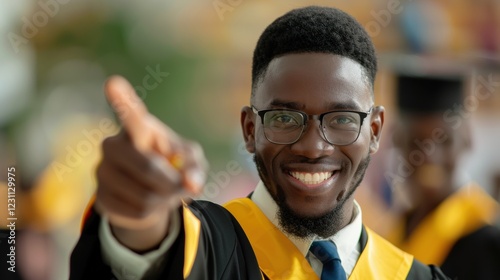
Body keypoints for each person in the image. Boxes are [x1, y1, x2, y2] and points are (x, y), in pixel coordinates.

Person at [70, 6, 450, 279]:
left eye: (342, 120)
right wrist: (139, 219)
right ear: (250, 129)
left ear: (376, 131)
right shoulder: (211, 246)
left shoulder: (413, 276)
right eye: (284, 118)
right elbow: (156, 253)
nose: (313, 147)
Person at [385, 73, 500, 280]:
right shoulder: (397, 231)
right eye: (416, 141)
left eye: (445, 140)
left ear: (466, 140)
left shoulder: (487, 238)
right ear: (398, 141)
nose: (430, 156)